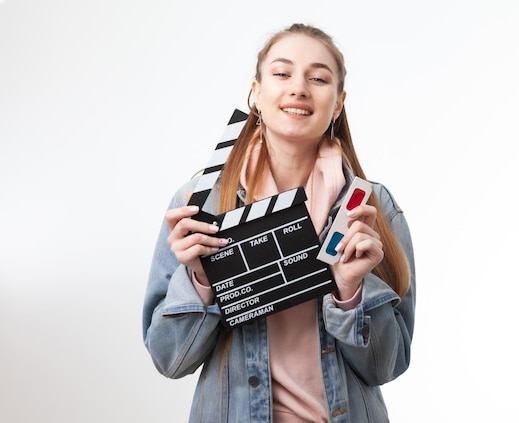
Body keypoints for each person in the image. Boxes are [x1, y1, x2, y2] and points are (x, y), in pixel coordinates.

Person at [142, 23, 416, 423]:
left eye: (318, 78)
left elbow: (386, 366)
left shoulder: (371, 208)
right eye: (282, 73)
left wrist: (352, 293)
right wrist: (201, 280)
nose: (299, 88)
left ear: (338, 104)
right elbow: (169, 360)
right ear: (255, 92)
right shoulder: (199, 205)